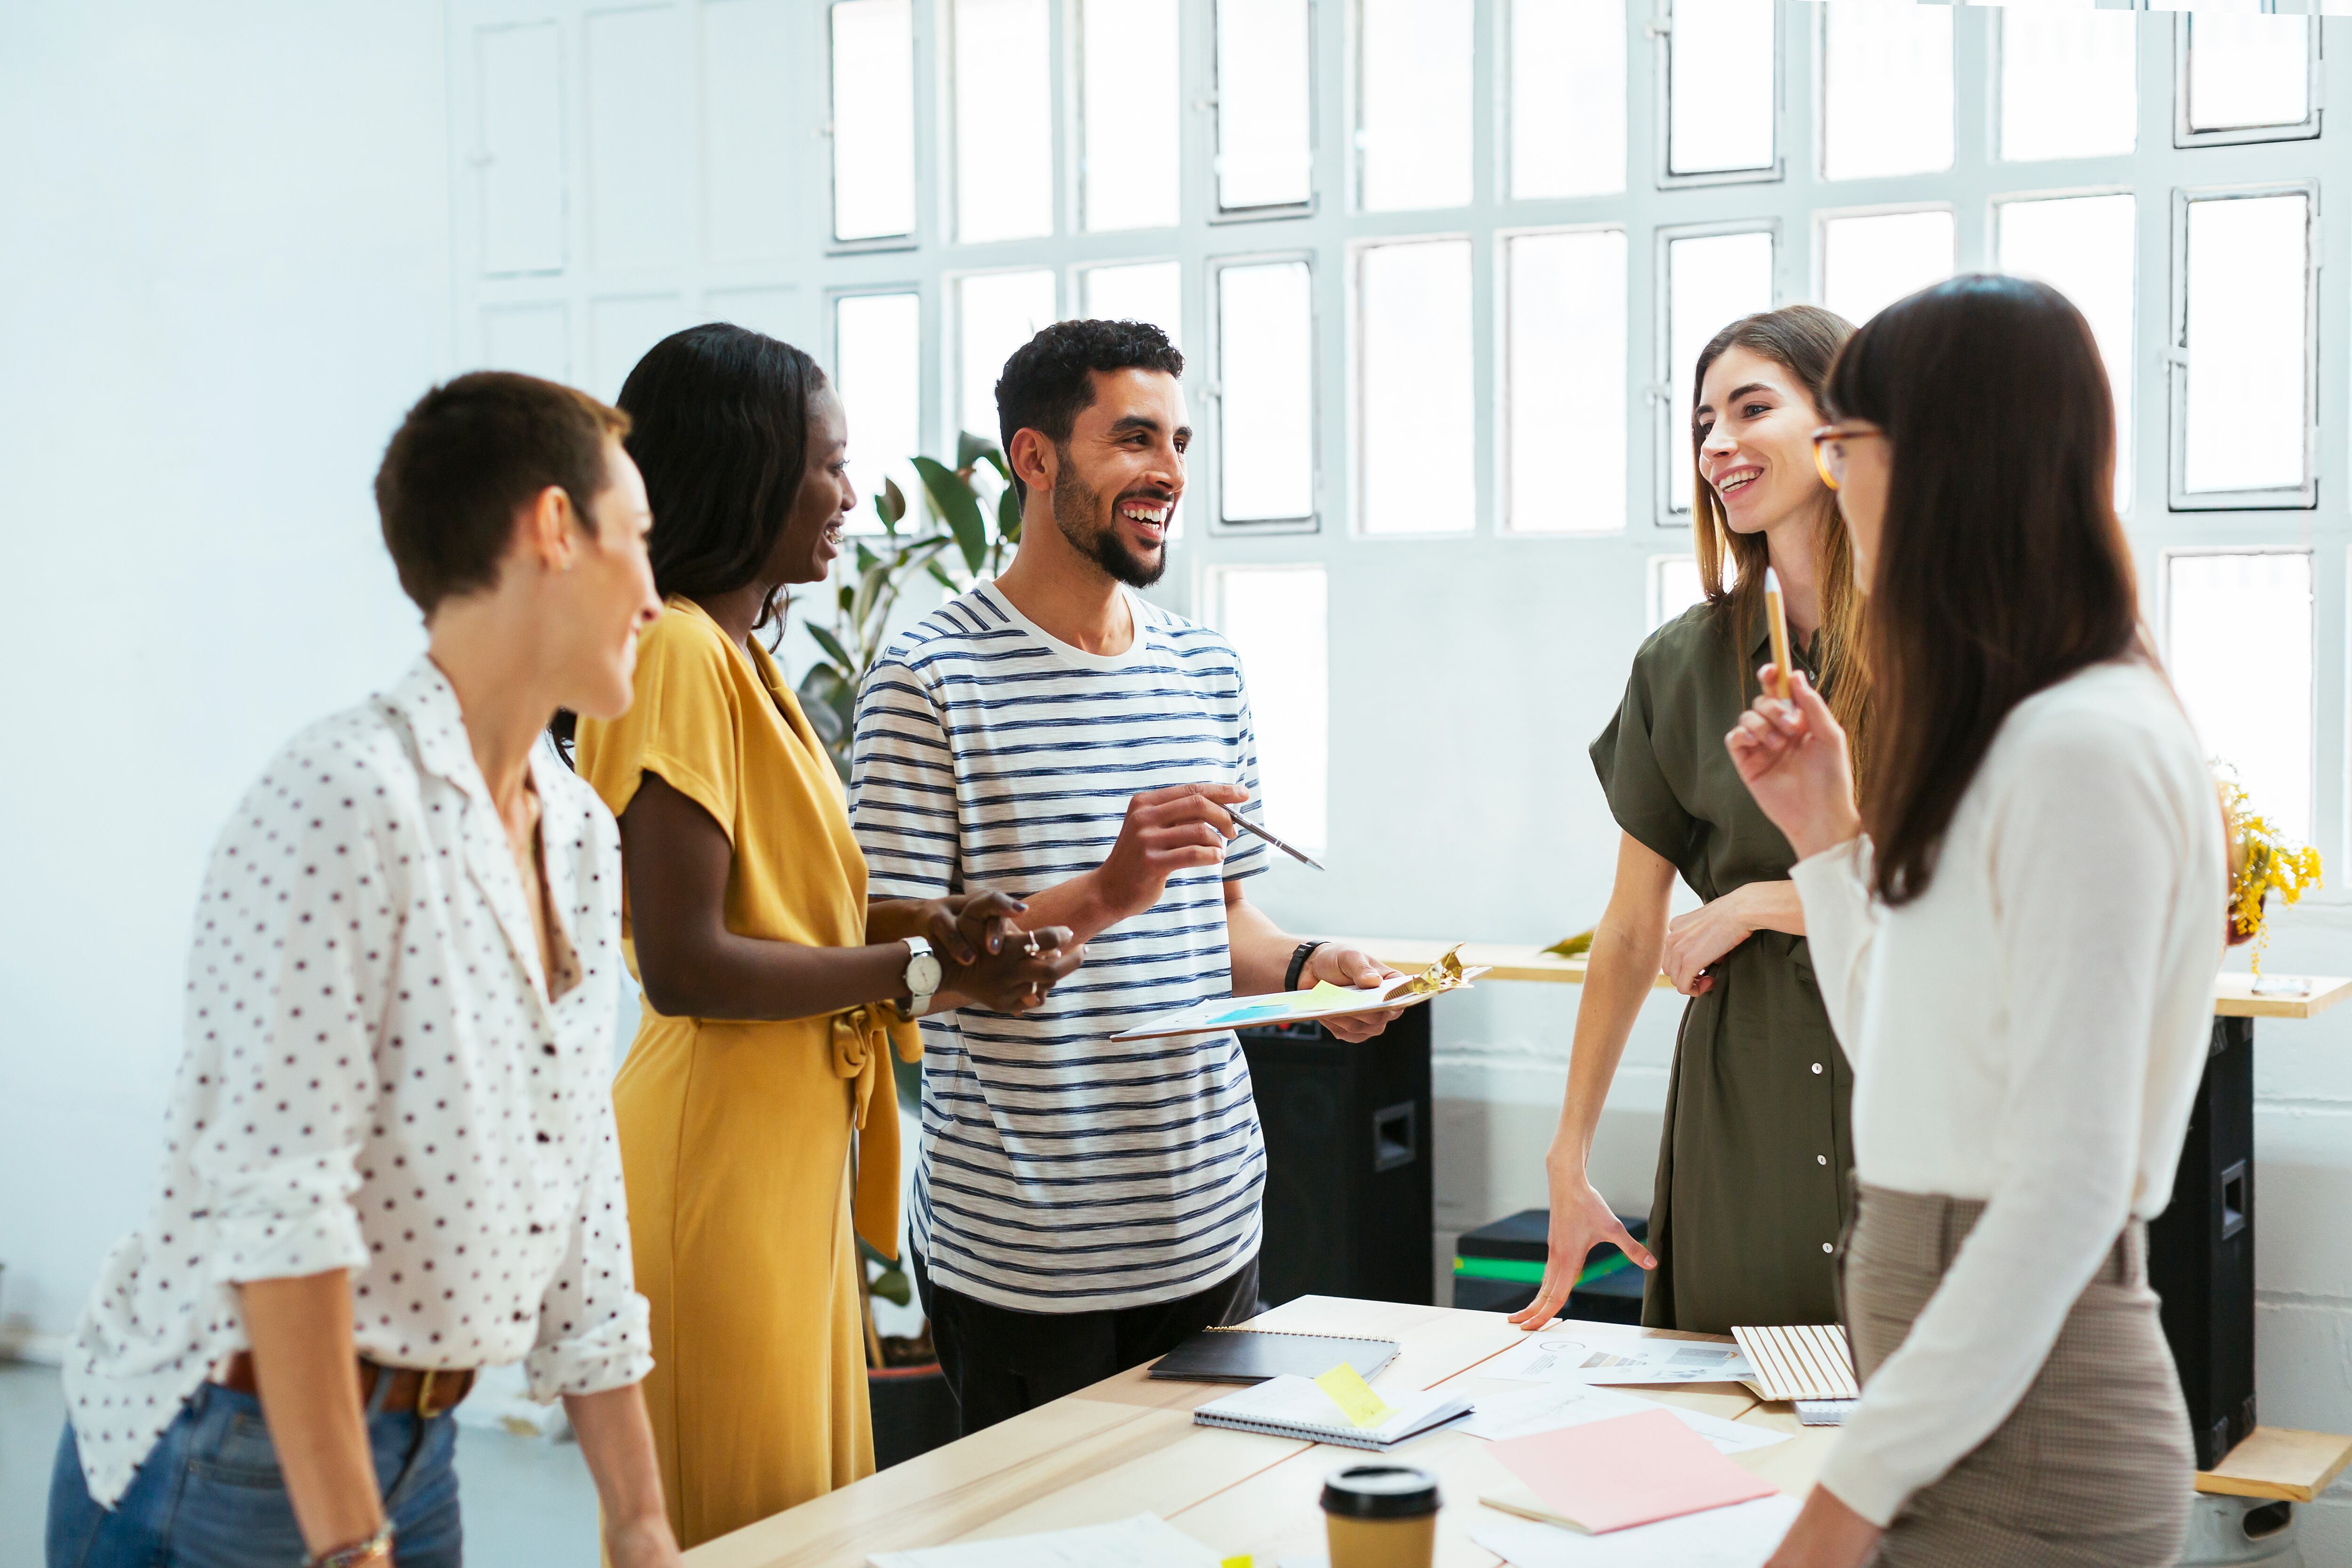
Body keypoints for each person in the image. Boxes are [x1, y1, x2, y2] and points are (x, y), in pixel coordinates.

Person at [47, 373, 680, 1568]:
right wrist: (348, 1546)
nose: (653, 597)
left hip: (415, 1443)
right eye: (637, 542)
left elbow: (582, 1175)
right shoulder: (339, 799)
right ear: (554, 529)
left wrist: (639, 1517)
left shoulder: (582, 833)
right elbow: (286, 1210)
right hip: (228, 1443)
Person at [1730, 276, 2225, 1568]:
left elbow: (2066, 1184)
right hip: (1962, 1419)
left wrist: (1842, 1503)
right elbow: (1908, 1068)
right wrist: (1829, 842)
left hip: (2031, 1449)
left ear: (1942, 460)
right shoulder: (2021, 730)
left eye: (1842, 447)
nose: (1832, 483)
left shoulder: (2084, 746)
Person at [569, 324, 1081, 1547]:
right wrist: (919, 965)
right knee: (737, 1524)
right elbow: (689, 958)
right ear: (749, 470)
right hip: (717, 1154)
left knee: (804, 1521)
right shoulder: (683, 648)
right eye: (831, 463)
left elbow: (786, 907)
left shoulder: (744, 655)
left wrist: (941, 925)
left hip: (783, 1145)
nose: (854, 493)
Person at [848, 319, 1402, 1434]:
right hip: (1023, 1260)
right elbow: (889, 975)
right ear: (1035, 458)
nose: (1169, 475)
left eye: (1180, 443)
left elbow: (1225, 921)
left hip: (1209, 1227)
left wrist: (1312, 968)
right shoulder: (926, 679)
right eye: (1135, 439)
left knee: (1215, 1539)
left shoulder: (1206, 668)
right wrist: (1105, 890)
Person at [1513, 306, 1871, 1336]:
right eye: (1702, 423)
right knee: (1727, 1432)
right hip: (1738, 1100)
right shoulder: (1677, 664)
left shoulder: (1946, 636)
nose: (1716, 445)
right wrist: (1568, 1153)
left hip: (1903, 1071)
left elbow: (1973, 878)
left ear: (1842, 425)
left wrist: (1770, 898)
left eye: (1751, 408)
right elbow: (1631, 926)